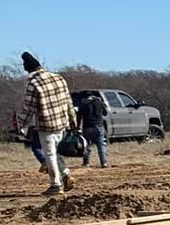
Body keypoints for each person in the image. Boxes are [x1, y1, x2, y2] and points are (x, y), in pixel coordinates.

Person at [21, 51, 75, 195]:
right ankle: (65, 174)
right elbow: (68, 100)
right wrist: (72, 118)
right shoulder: (59, 78)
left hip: (46, 124)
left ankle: (55, 184)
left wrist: (22, 125)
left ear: (27, 69)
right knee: (53, 152)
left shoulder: (33, 83)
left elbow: (28, 108)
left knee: (49, 154)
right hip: (62, 123)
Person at [78, 89, 111, 168]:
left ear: (84, 97)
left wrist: (77, 127)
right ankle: (103, 163)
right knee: (101, 146)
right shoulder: (99, 102)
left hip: (87, 127)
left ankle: (86, 163)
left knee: (87, 146)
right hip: (99, 126)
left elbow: (78, 116)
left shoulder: (83, 104)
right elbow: (105, 113)